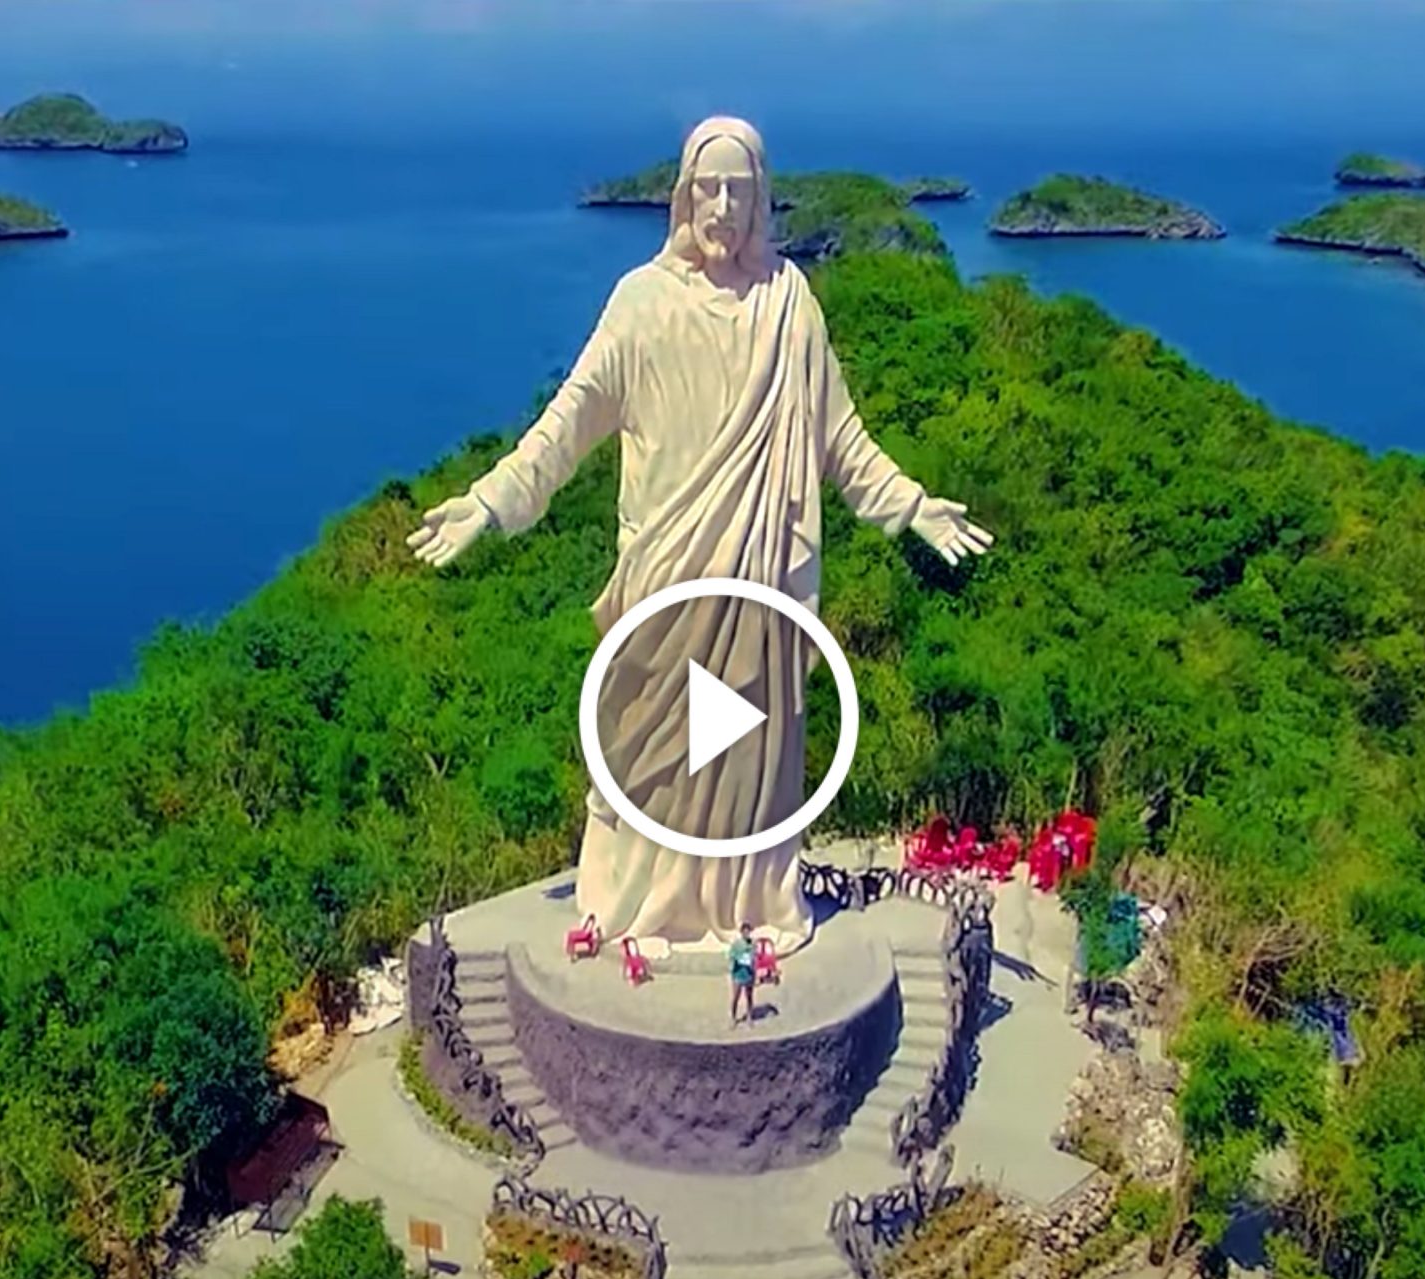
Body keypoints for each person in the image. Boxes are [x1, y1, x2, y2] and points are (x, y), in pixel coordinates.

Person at [407, 116, 991, 951]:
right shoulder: (640, 305)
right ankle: (638, 907)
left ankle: (741, 908)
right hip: (666, 576)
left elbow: (841, 440)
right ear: (683, 197)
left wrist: (912, 505)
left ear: (760, 201)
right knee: (649, 751)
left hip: (758, 585)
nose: (721, 207)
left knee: (745, 755)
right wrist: (491, 501)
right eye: (707, 189)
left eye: (739, 191)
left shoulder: (791, 306)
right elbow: (567, 423)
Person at [728, 923, 758, 1025]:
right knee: (736, 997)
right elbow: (731, 957)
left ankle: (750, 1017)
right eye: (744, 931)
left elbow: (754, 959)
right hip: (738, 974)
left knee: (749, 997)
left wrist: (755, 973)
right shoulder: (736, 944)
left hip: (749, 974)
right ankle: (733, 1018)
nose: (746, 933)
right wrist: (736, 963)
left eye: (748, 931)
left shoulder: (753, 944)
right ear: (741, 932)